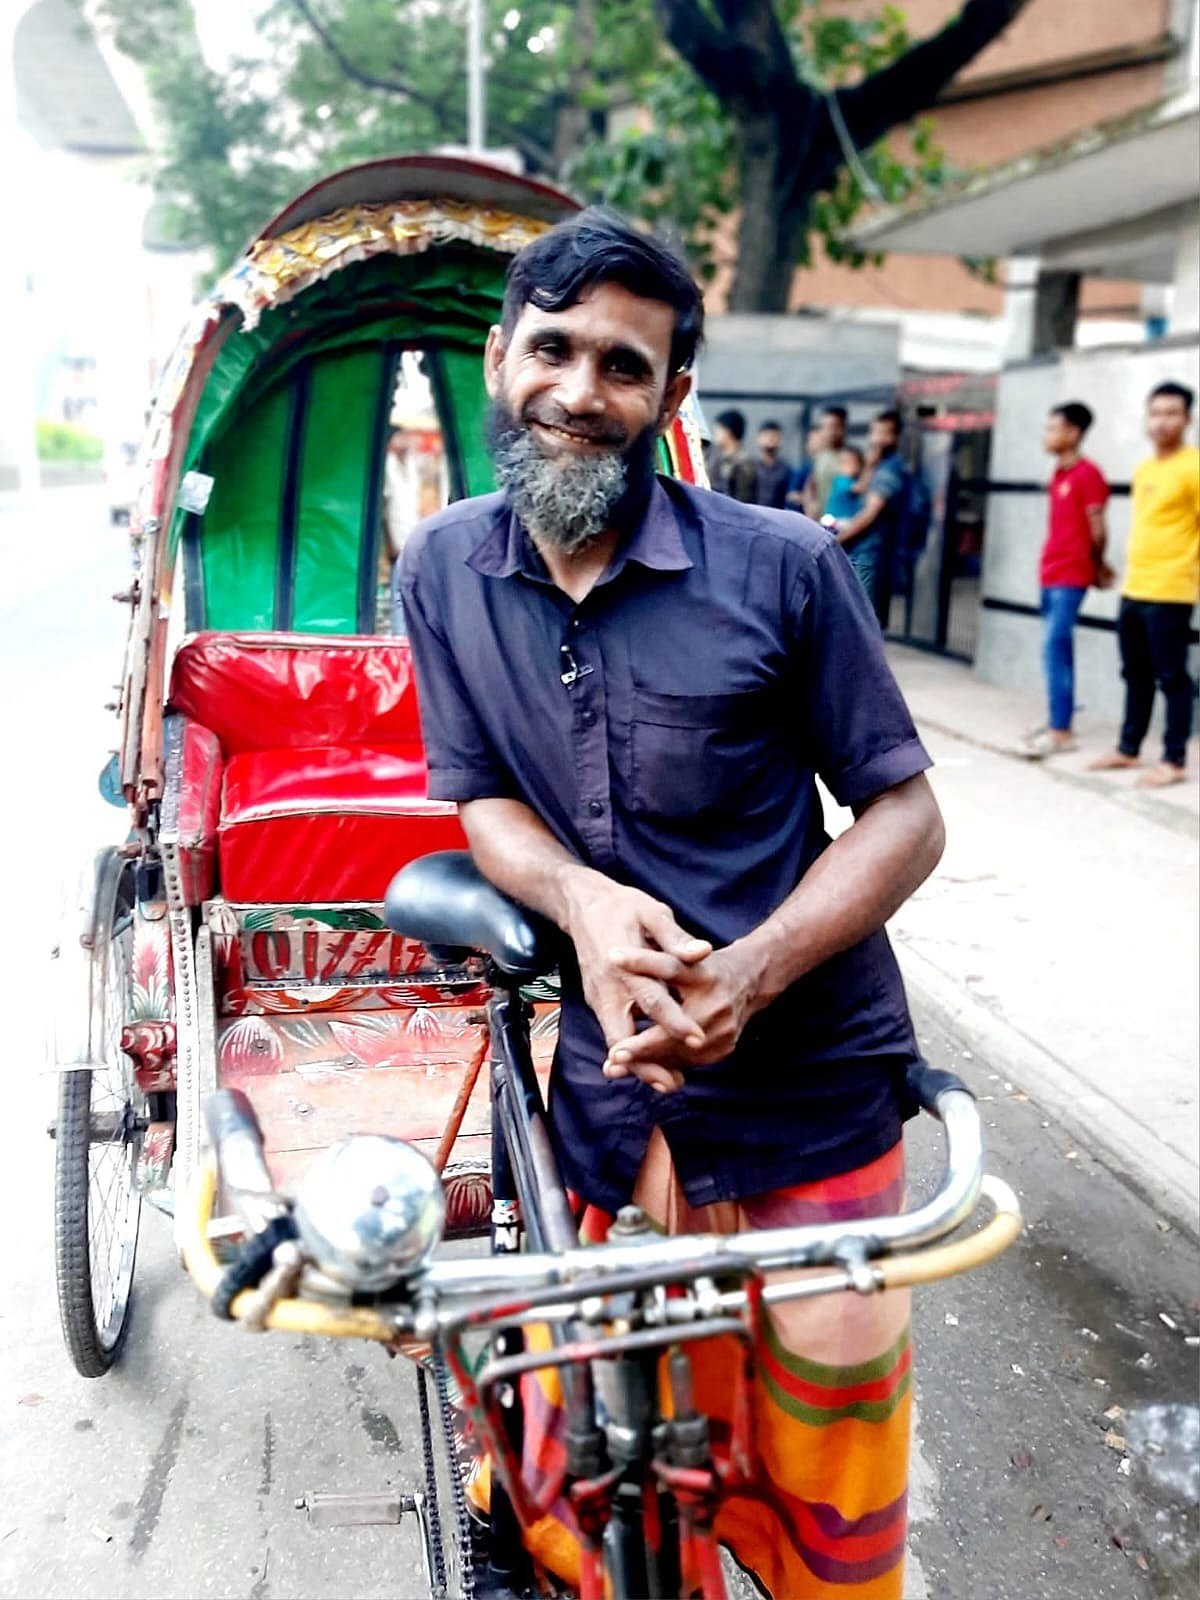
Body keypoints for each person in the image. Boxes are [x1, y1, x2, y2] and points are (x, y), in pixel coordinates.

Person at [400, 206, 945, 1599]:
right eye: (556, 348)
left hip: (808, 1098)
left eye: (625, 365)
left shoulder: (788, 567)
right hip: (605, 1103)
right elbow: (479, 800)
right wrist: (580, 901)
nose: (582, 389)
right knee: (599, 1481)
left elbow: (906, 813)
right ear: (497, 356)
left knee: (831, 1498)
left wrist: (755, 970)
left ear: (672, 398)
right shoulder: (442, 571)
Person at [1089, 381, 1199, 787]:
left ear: (1187, 419)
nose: (1162, 421)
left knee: (1172, 678)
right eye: (1155, 413)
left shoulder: (1194, 467)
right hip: (1134, 587)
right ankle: (1128, 748)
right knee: (1135, 673)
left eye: (1172, 412)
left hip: (1171, 589)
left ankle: (1173, 760)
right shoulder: (1146, 468)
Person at [1019, 402, 1112, 760]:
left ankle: (1061, 732)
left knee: (1054, 648)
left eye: (1052, 428)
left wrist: (1098, 565)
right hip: (1051, 571)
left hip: (1072, 574)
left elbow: (1098, 528)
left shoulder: (1089, 474)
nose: (1046, 435)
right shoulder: (1060, 473)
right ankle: (1061, 720)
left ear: (1073, 432)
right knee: (1059, 650)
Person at [826, 410, 908, 619]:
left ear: (896, 437)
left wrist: (835, 542)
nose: (877, 439)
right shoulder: (878, 466)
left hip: (870, 555)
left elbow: (870, 514)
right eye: (874, 432)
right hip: (862, 552)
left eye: (884, 433)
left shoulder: (890, 470)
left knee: (863, 620)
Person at [383, 428, 421, 635]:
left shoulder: (409, 464)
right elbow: (385, 510)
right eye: (401, 437)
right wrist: (390, 543)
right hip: (398, 541)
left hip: (411, 535)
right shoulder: (387, 465)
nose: (406, 440)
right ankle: (401, 638)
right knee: (400, 594)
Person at [803, 403, 848, 519]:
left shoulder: (850, 457)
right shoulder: (820, 457)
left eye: (833, 426)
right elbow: (811, 483)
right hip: (821, 522)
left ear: (843, 427)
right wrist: (809, 504)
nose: (829, 432)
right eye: (825, 427)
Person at [706, 407, 757, 501]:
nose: (714, 435)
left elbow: (743, 499)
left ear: (727, 432)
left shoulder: (744, 462)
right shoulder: (715, 457)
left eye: (717, 431)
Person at [753, 417, 792, 509]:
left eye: (774, 436)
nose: (770, 439)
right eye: (766, 435)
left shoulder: (786, 470)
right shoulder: (750, 467)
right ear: (758, 438)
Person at [823, 442, 866, 523]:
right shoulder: (841, 480)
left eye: (851, 463)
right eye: (843, 462)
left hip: (846, 518)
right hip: (837, 519)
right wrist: (870, 467)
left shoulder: (853, 480)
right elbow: (858, 488)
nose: (846, 466)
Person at [785, 423, 824, 510]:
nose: (818, 442)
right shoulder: (803, 471)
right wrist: (809, 500)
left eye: (821, 439)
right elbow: (792, 496)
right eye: (813, 439)